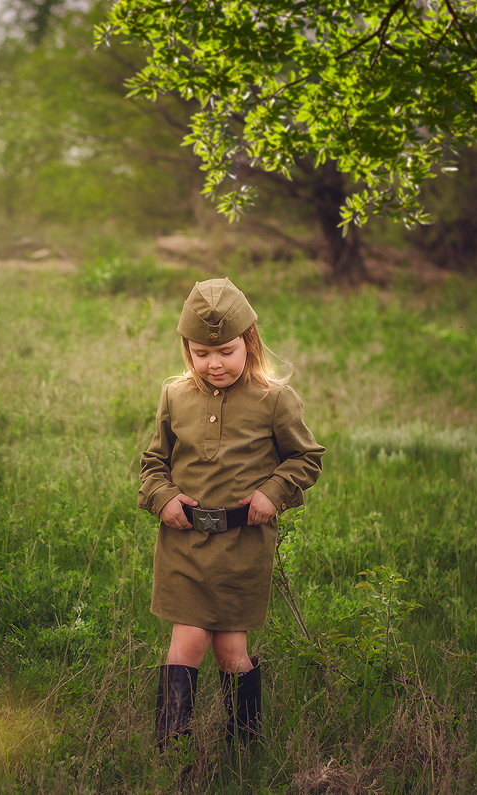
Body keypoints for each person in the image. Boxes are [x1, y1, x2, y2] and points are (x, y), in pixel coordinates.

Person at [139, 277, 324, 752]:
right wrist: (164, 499)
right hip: (183, 541)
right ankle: (171, 751)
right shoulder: (175, 395)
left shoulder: (275, 399)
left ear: (250, 343)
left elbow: (306, 458)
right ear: (187, 349)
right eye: (201, 353)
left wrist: (273, 493)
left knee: (230, 650)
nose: (214, 364)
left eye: (226, 352)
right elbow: (153, 464)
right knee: (187, 644)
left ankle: (244, 747)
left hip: (243, 545)